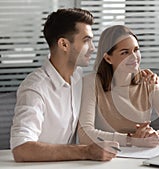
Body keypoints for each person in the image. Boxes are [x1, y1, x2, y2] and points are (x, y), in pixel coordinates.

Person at [9, 8, 120, 162]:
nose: (93, 48)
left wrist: (142, 78)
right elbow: (21, 149)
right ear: (64, 44)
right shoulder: (35, 88)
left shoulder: (78, 76)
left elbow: (111, 80)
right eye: (86, 40)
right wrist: (85, 151)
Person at [77, 25, 159, 148]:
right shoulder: (91, 83)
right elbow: (85, 134)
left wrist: (156, 136)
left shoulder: (149, 80)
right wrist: (130, 140)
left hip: (141, 154)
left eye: (136, 49)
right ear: (108, 58)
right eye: (125, 52)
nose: (134, 57)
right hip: (107, 157)